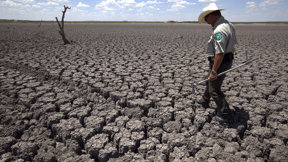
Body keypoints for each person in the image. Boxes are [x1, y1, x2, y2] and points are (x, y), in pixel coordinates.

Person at [197, 3, 237, 118]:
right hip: (224, 60)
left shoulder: (219, 30)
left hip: (220, 62)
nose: (205, 20)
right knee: (208, 81)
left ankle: (226, 114)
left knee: (214, 89)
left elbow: (220, 52)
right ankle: (205, 100)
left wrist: (214, 70)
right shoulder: (228, 24)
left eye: (206, 17)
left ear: (213, 15)